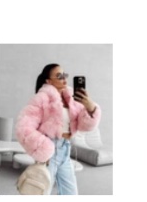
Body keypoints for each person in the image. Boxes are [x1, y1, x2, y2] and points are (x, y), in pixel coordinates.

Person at [15, 63, 101, 195]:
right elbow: (23, 127)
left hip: (65, 150)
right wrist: (44, 148)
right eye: (59, 76)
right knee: (42, 192)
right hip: (49, 151)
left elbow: (83, 125)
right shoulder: (41, 98)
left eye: (64, 75)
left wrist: (90, 107)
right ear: (48, 81)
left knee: (70, 193)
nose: (64, 79)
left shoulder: (71, 99)